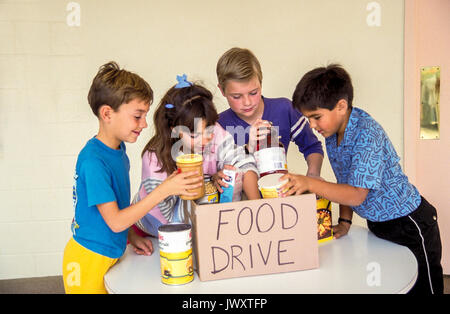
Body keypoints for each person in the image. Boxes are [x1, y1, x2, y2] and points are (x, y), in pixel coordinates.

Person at [282, 64, 443, 294]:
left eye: (316, 117)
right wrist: (345, 221)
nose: (312, 125)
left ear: (341, 106)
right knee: (394, 284)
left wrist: (309, 182)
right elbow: (344, 182)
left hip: (409, 223)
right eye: (308, 118)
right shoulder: (332, 134)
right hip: (379, 225)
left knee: (424, 289)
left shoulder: (367, 134)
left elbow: (357, 193)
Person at [62, 63, 203, 294]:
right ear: (107, 113)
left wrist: (131, 236)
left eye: (145, 116)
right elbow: (115, 220)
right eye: (137, 116)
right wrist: (164, 190)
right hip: (88, 259)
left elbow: (115, 210)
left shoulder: (118, 151)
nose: (144, 124)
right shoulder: (94, 162)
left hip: (109, 252)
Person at [131, 74, 260, 239]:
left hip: (198, 217)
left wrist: (258, 208)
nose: (205, 140)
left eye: (209, 130)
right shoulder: (155, 159)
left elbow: (243, 161)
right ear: (174, 129)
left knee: (233, 176)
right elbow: (167, 218)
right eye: (194, 136)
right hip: (153, 223)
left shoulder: (214, 132)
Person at [216, 47, 324, 183]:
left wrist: (313, 176)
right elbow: (214, 170)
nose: (247, 102)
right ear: (222, 90)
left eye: (253, 93)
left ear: (261, 82)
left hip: (280, 196)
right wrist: (216, 177)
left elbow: (311, 146)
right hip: (241, 202)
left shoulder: (284, 109)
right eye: (237, 96)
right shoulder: (218, 125)